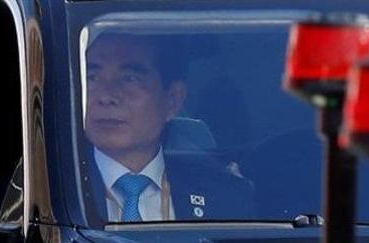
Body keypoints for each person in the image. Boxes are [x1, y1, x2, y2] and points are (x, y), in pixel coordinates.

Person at [83, 32, 254, 222]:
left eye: (129, 79)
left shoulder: (225, 196)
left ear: (172, 100)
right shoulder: (50, 191)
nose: (106, 97)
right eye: (92, 78)